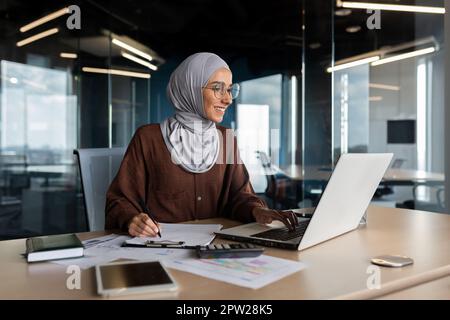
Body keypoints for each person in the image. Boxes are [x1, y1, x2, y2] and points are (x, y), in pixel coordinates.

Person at [105, 52, 299, 237]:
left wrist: (257, 211)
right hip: (162, 249)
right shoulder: (148, 138)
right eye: (217, 88)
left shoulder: (226, 138)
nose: (228, 99)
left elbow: (239, 196)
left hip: (218, 247)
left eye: (230, 90)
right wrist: (132, 219)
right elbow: (119, 201)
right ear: (189, 89)